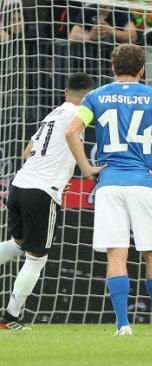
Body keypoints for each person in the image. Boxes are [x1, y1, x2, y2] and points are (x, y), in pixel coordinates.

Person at [65, 44, 152, 336]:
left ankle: (123, 325)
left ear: (112, 68)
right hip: (144, 184)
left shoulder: (94, 96)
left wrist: (87, 168)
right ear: (142, 69)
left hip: (109, 184)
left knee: (117, 255)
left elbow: (71, 131)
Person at [0, 73, 95, 330]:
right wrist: (82, 170)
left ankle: (10, 316)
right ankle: (11, 317)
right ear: (89, 96)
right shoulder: (79, 115)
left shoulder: (52, 114)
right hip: (41, 191)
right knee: (36, 257)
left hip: (20, 185)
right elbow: (71, 139)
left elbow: (27, 152)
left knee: (18, 244)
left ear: (66, 92)